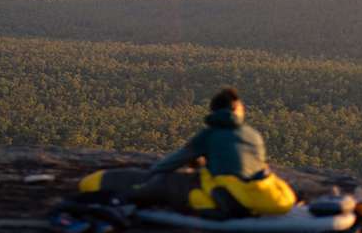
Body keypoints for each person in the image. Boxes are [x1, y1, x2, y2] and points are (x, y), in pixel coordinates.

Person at [78, 87, 296, 218]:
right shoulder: (254, 135)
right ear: (238, 111)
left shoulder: (209, 135)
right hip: (265, 191)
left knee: (166, 183)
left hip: (226, 192)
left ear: (215, 111)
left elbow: (176, 160)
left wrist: (154, 172)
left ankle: (126, 198)